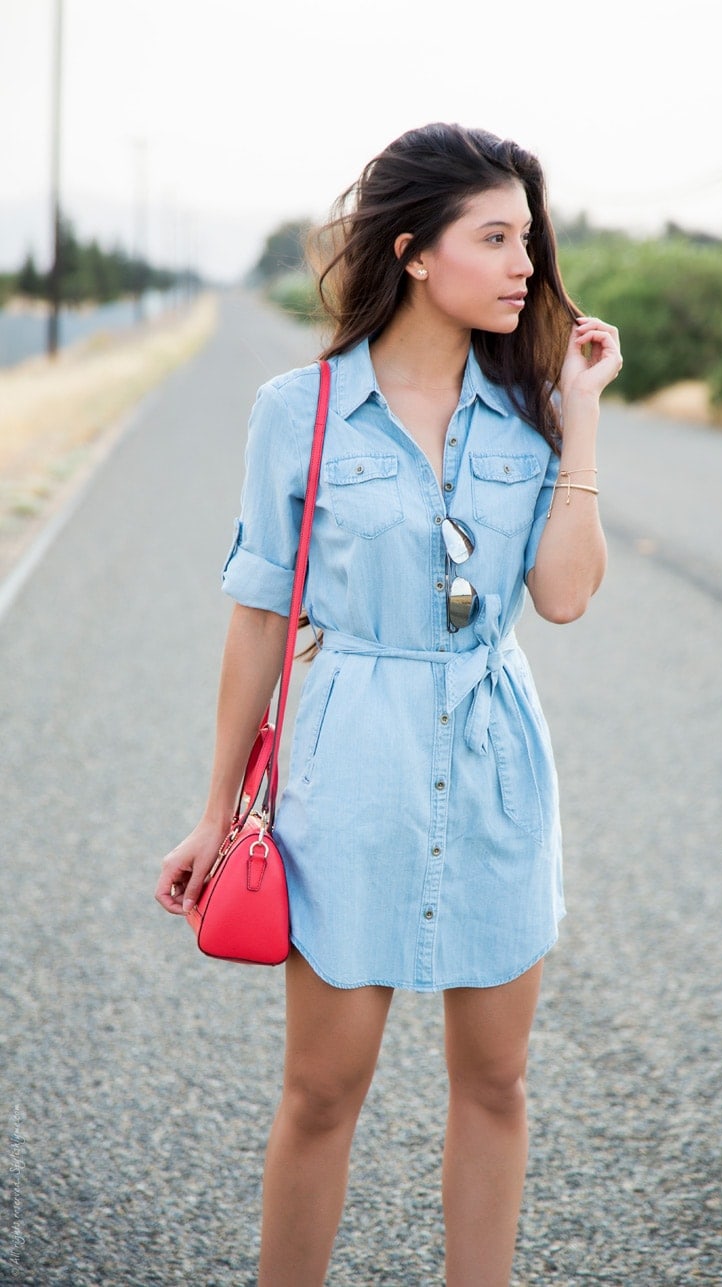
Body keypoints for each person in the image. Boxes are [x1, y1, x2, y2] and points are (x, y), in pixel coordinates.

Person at [155, 121, 622, 1287]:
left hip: (497, 755)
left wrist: (584, 415)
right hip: (348, 757)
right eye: (497, 236)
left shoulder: (534, 411)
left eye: (531, 238)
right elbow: (261, 611)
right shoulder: (299, 412)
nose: (527, 263)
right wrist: (216, 812)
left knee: (498, 1082)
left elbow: (561, 599)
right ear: (415, 251)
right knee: (321, 1090)